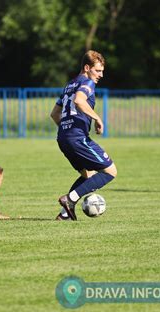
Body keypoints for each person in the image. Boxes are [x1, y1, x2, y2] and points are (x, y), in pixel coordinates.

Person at [50, 50, 117, 220]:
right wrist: (97, 118)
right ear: (87, 68)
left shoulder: (69, 85)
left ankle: (65, 214)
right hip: (77, 138)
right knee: (110, 171)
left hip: (63, 138)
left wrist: (66, 128)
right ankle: (69, 199)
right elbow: (79, 101)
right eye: (98, 70)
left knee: (89, 176)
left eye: (102, 71)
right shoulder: (87, 83)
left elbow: (54, 114)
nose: (101, 75)